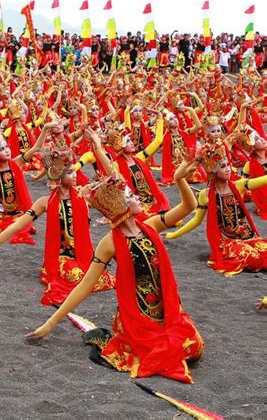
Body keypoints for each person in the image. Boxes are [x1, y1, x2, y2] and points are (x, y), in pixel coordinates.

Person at [27, 159, 204, 384]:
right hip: (138, 319)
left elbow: (188, 207)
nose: (138, 197)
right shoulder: (109, 243)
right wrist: (49, 324)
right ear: (119, 204)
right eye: (131, 196)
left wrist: (179, 179)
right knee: (170, 352)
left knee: (193, 346)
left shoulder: (149, 226)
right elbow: (85, 285)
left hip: (166, 311)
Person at [0, 148, 115, 306]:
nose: (75, 175)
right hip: (62, 257)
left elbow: (115, 180)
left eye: (74, 171)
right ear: (59, 176)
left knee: (93, 275)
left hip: (84, 254)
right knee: (74, 274)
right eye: (70, 172)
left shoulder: (82, 195)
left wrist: (97, 145)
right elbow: (17, 226)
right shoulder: (45, 202)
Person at [166, 141, 266, 276]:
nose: (228, 169)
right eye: (223, 166)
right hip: (226, 240)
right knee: (252, 257)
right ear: (213, 170)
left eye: (228, 165)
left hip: (246, 234)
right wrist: (174, 234)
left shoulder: (239, 186)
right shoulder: (205, 195)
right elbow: (196, 220)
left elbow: (263, 179)